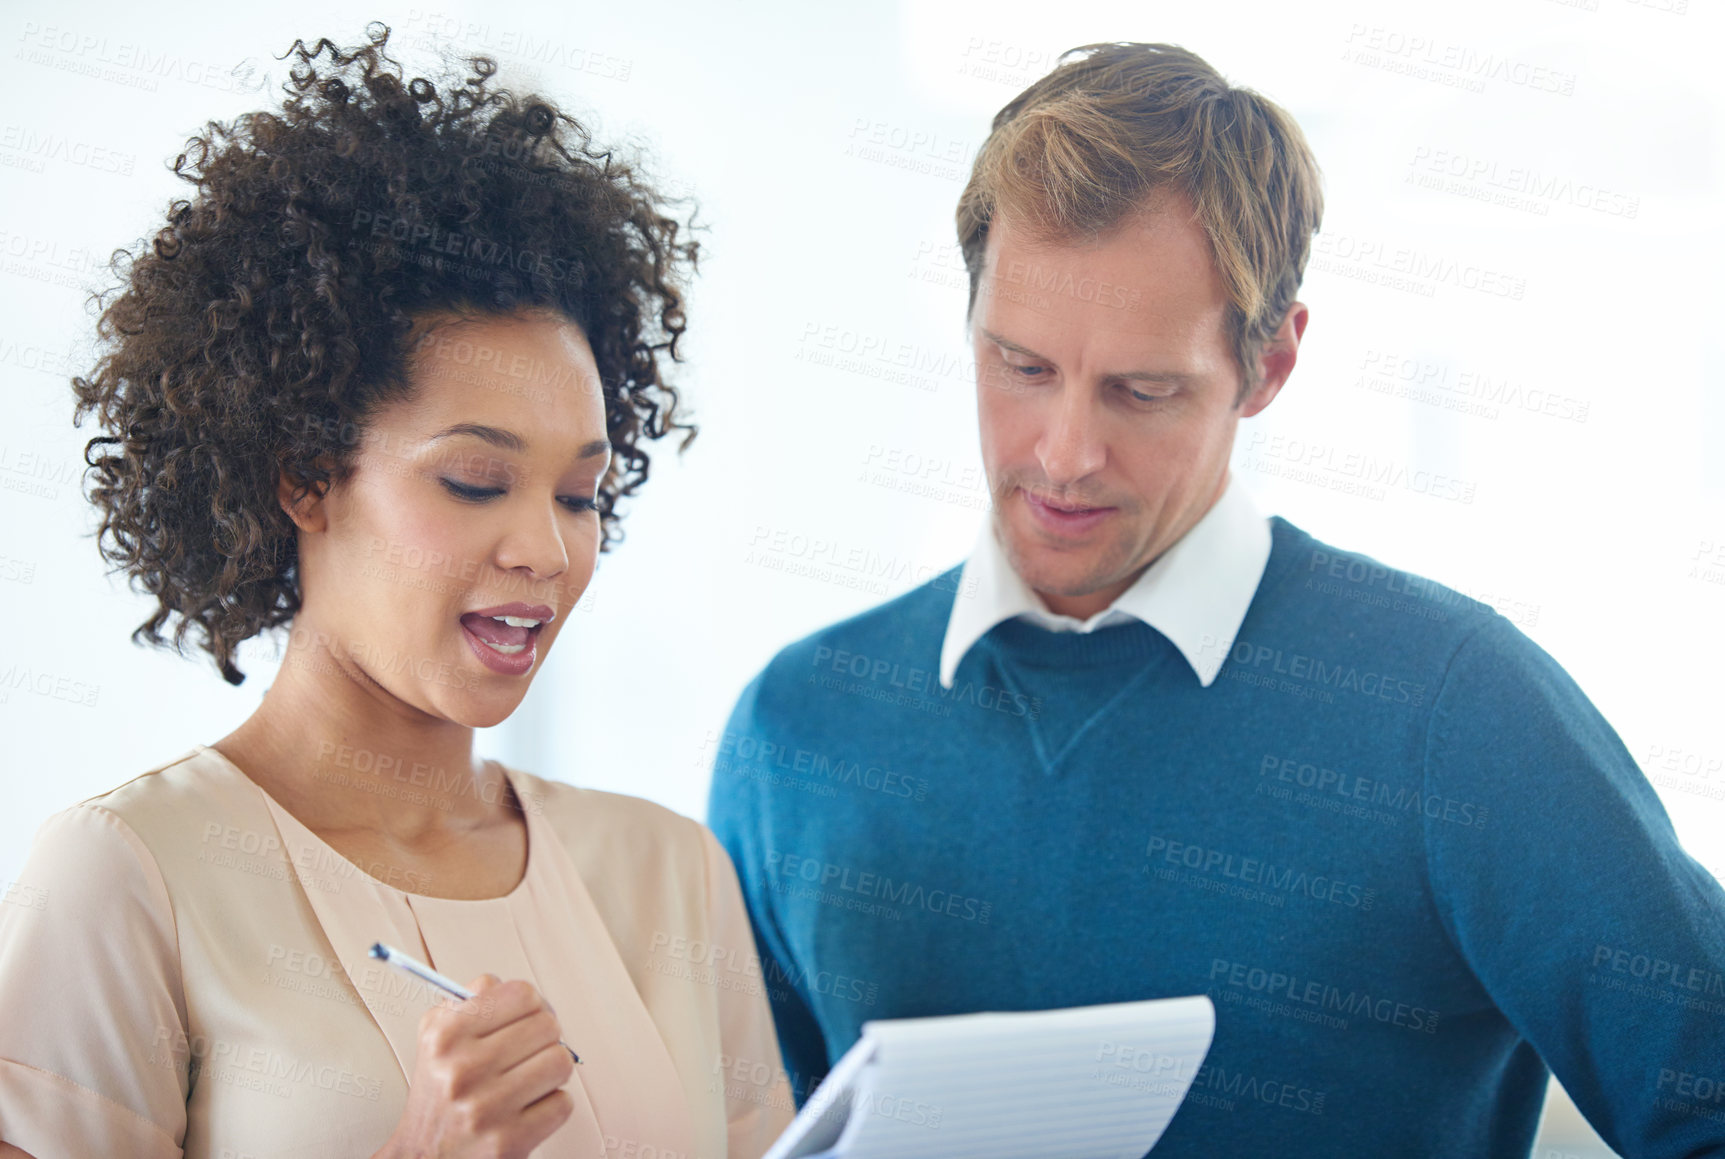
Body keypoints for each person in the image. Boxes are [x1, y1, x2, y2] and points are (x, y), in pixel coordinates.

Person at [708, 41, 1725, 1157]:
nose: (1064, 453)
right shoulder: (796, 733)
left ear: (1270, 363)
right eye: (1022, 365)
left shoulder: (1457, 712)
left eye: (1142, 391)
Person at [0, 25, 791, 1159]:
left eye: (580, 495)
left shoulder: (671, 877)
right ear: (305, 476)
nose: (549, 552)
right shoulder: (125, 879)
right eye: (475, 481)